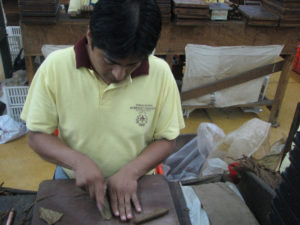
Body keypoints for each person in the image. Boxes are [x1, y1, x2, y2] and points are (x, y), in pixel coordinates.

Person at [21, 0, 185, 222]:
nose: (119, 74)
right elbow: (37, 136)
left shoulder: (160, 74)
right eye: (110, 61)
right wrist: (77, 161)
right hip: (72, 179)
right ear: (90, 35)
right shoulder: (56, 67)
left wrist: (132, 171)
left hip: (137, 181)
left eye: (132, 65)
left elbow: (167, 139)